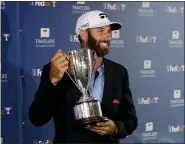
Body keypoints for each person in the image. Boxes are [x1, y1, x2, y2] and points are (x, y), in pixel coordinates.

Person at [29, 10, 138, 144]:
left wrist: (115, 128)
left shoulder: (119, 72)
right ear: (84, 34)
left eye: (109, 31)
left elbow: (130, 119)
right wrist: (53, 81)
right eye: (100, 30)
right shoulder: (58, 69)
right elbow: (37, 118)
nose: (107, 36)